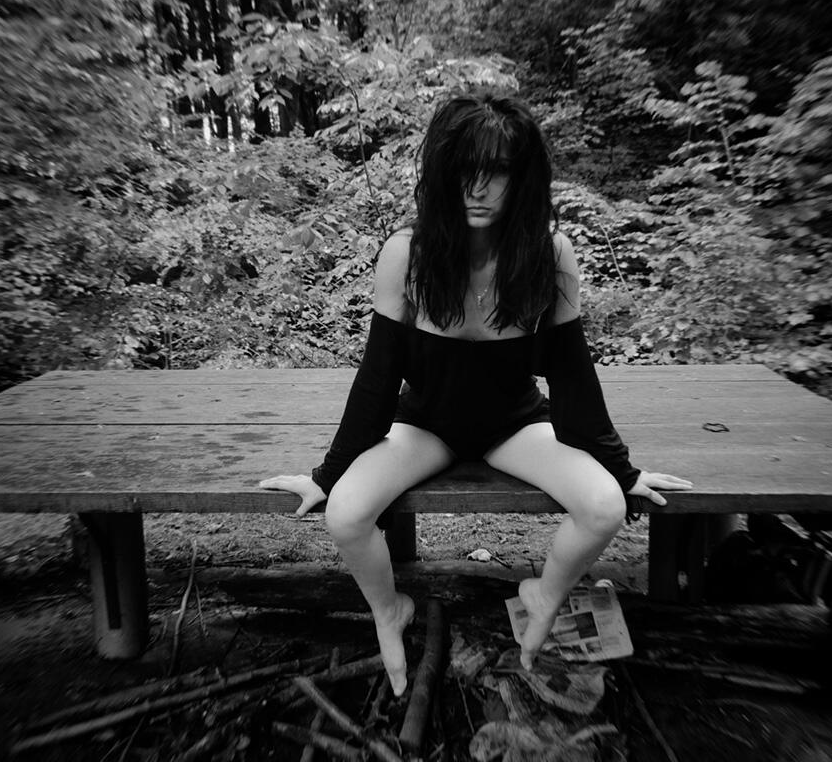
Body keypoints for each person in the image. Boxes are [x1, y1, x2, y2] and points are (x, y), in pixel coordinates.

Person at [259, 91, 691, 697]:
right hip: (426, 424)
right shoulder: (407, 255)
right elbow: (378, 376)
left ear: (524, 178)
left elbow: (572, 373)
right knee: (346, 514)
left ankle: (543, 595)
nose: (478, 188)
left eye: (498, 171)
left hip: (514, 424)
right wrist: (327, 475)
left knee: (604, 507)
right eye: (464, 170)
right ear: (443, 174)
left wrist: (622, 470)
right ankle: (390, 610)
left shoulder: (550, 255)